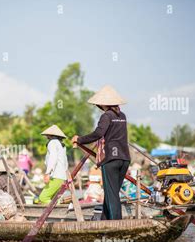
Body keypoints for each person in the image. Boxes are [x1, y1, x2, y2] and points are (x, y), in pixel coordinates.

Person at [72, 85, 130, 220]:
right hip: (124, 158)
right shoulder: (122, 116)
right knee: (112, 193)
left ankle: (116, 224)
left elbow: (98, 133)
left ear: (103, 103)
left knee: (111, 194)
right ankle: (104, 220)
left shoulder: (106, 116)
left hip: (110, 159)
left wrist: (79, 139)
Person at [36, 125, 68, 204]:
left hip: (56, 176)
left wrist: (47, 173)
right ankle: (58, 211)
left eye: (47, 135)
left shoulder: (53, 143)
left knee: (43, 198)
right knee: (54, 199)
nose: (46, 137)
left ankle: (54, 210)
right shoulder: (61, 145)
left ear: (50, 135)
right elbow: (65, 162)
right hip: (62, 177)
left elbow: (52, 158)